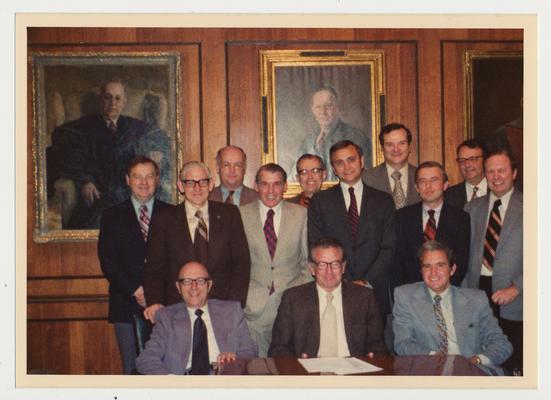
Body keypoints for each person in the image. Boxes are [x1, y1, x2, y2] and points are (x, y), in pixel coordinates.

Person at [143, 161, 251, 324]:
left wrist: (234, 306)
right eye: (190, 182)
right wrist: (155, 301)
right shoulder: (164, 219)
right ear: (180, 185)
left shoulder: (230, 214)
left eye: (203, 182)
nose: (197, 188)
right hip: (178, 309)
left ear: (211, 184)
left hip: (222, 309)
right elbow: (155, 267)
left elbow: (241, 264)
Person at [393, 240, 512, 376]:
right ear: (421, 270)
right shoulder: (405, 296)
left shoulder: (476, 299)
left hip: (472, 372)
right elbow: (403, 344)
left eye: (440, 265)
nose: (433, 273)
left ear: (452, 269)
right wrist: (438, 358)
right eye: (427, 266)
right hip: (429, 371)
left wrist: (477, 360)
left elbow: (501, 344)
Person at [98, 156, 171, 374]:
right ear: (128, 180)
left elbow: (176, 259)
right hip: (126, 304)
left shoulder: (171, 213)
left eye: (149, 176)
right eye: (138, 176)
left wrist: (154, 293)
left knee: (167, 368)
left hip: (165, 306)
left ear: (157, 180)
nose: (144, 182)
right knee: (132, 370)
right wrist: (137, 290)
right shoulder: (112, 215)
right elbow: (108, 260)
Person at [308, 140, 395, 316]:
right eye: (339, 163)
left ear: (362, 162)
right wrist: (343, 282)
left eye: (351, 160)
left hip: (373, 291)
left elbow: (389, 248)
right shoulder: (320, 201)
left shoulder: (383, 201)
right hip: (333, 290)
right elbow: (316, 245)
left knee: (374, 343)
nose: (346, 167)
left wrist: (366, 281)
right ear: (333, 168)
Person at [47, 78, 147, 229]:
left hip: (127, 190)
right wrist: (85, 181)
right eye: (108, 97)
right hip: (98, 193)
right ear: (101, 100)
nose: (113, 103)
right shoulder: (85, 125)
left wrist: (155, 150)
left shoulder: (133, 126)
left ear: (124, 102)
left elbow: (159, 137)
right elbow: (60, 139)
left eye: (117, 98)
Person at [239, 163, 312, 356]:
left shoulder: (301, 214)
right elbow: (236, 264)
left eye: (277, 184)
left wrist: (299, 295)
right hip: (253, 310)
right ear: (256, 186)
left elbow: (307, 262)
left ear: (285, 186)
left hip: (291, 307)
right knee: (257, 373)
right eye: (265, 184)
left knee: (291, 371)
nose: (271, 191)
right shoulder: (240, 215)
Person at [269, 237, 386, 358]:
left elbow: (377, 346)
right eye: (322, 265)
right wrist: (298, 368)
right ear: (311, 268)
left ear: (343, 267)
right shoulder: (293, 299)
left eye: (335, 264)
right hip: (309, 371)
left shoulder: (364, 297)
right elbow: (279, 348)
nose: (329, 271)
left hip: (353, 370)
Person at [136, 262, 258, 375]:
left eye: (200, 281)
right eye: (187, 281)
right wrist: (171, 383)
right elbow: (146, 359)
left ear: (209, 285)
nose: (194, 287)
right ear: (178, 287)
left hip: (223, 381)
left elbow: (250, 349)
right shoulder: (166, 317)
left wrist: (235, 361)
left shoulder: (232, 311)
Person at [463, 149, 523, 374]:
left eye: (502, 171)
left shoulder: (533, 206)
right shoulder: (472, 208)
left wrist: (517, 286)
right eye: (490, 172)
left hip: (514, 299)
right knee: (482, 361)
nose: (496, 177)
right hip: (477, 294)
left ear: (514, 173)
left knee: (513, 362)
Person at [394, 161, 470, 289]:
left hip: (448, 292)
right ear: (417, 187)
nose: (428, 186)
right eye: (422, 181)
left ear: (445, 185)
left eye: (434, 180)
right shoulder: (402, 217)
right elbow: (397, 263)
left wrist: (444, 291)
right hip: (411, 295)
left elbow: (461, 262)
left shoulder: (461, 218)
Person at [297, 86, 372, 181]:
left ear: (337, 107)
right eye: (318, 107)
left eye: (328, 106)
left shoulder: (356, 138)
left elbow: (367, 176)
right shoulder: (307, 142)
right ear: (313, 110)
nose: (323, 112)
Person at [362, 122, 420, 209]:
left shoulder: (421, 176)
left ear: (409, 147)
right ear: (382, 148)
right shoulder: (366, 178)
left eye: (401, 143)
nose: (396, 149)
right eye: (389, 144)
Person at [445, 139, 487, 210]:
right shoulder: (448, 196)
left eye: (473, 159)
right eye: (462, 160)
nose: (467, 165)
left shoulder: (497, 190)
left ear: (485, 161)